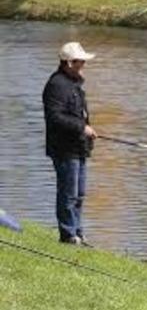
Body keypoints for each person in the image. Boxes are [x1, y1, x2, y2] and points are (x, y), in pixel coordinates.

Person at [43, 42, 97, 246]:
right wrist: (81, 128)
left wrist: (87, 132)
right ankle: (67, 235)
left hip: (79, 147)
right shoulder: (56, 85)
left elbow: (79, 114)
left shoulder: (75, 83)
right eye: (80, 61)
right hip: (64, 148)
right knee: (68, 193)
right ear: (68, 63)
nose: (84, 64)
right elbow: (55, 117)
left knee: (80, 194)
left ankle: (77, 233)